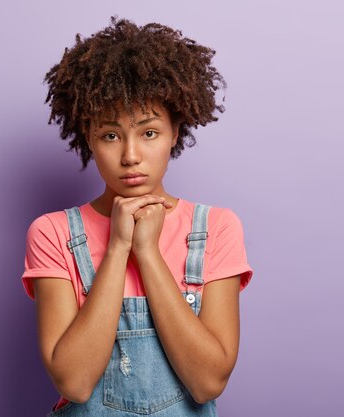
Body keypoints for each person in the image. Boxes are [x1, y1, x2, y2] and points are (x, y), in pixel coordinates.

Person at [21, 16, 254, 416]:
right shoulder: (53, 233)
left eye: (149, 132)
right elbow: (75, 382)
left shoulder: (216, 228)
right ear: (89, 137)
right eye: (111, 135)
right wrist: (119, 247)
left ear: (175, 131)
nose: (130, 156)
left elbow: (207, 382)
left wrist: (147, 253)